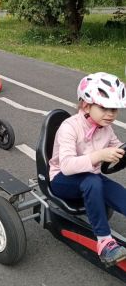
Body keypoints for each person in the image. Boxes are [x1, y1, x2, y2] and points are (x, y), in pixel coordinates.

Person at [49, 72, 126, 267]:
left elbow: (119, 149)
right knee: (93, 182)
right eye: (104, 108)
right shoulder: (69, 127)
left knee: (118, 193)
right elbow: (66, 166)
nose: (110, 114)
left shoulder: (106, 128)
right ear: (85, 105)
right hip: (61, 179)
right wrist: (99, 156)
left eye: (114, 109)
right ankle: (104, 242)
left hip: (92, 178)